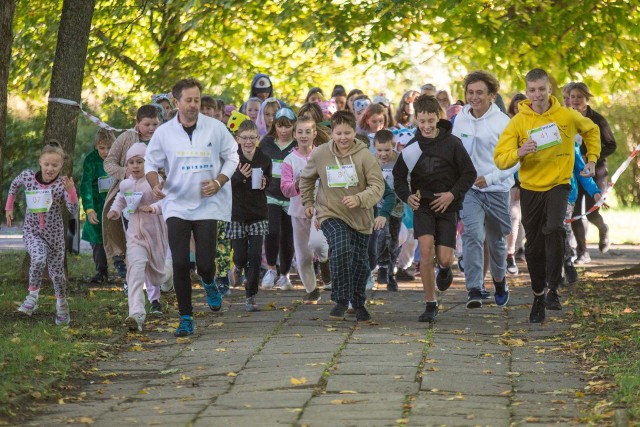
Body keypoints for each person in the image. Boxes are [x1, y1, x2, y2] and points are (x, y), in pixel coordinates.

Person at [494, 68, 600, 323]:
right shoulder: (519, 121)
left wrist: (592, 159)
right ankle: (538, 295)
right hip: (530, 187)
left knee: (554, 229)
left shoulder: (567, 115)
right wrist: (520, 152)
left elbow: (592, 130)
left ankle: (554, 286)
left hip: (559, 184)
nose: (537, 95)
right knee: (534, 246)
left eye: (542, 89)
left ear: (549, 89)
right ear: (527, 92)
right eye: (532, 90)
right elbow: (500, 158)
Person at [145, 78, 240, 337]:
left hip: (207, 204)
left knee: (205, 264)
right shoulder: (164, 132)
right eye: (188, 100)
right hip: (176, 203)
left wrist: (219, 182)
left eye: (197, 100)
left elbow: (233, 155)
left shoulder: (215, 128)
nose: (193, 105)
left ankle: (209, 282)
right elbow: (150, 164)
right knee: (179, 262)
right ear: (176, 103)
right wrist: (155, 185)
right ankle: (185, 317)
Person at [393, 95, 476, 323]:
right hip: (424, 206)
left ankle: (446, 268)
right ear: (416, 120)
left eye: (431, 121)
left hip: (447, 206)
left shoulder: (452, 144)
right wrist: (407, 196)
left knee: (444, 258)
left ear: (437, 119)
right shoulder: (412, 147)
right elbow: (398, 177)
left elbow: (469, 174)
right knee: (426, 251)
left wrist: (452, 194)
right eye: (422, 122)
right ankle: (431, 303)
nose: (427, 126)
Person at [300, 111, 385, 322]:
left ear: (354, 132)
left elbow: (378, 185)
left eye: (347, 133)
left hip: (360, 218)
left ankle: (358, 303)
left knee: (360, 262)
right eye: (339, 133)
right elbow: (306, 178)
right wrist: (309, 203)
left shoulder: (365, 155)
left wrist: (360, 198)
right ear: (332, 133)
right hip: (330, 212)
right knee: (340, 245)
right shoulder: (320, 154)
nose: (343, 138)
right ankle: (339, 300)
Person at [452, 71, 517, 309]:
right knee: (472, 236)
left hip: (497, 189)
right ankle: (475, 287)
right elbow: (456, 152)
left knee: (496, 241)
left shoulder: (503, 123)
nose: (474, 97)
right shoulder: (461, 120)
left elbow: (514, 160)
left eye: (480, 92)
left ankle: (499, 281)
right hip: (470, 189)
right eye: (470, 92)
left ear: (492, 95)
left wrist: (490, 179)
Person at [6, 141, 79, 325]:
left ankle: (62, 306)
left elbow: (73, 209)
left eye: (55, 165)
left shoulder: (63, 184)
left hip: (54, 236)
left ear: (61, 165)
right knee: (38, 258)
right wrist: (9, 207)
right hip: (33, 232)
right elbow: (14, 185)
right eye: (47, 164)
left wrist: (71, 192)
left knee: (57, 275)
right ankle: (32, 298)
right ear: (40, 162)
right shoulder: (28, 177)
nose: (50, 168)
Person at [107, 143, 169, 331]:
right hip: (134, 236)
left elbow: (166, 201)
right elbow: (121, 198)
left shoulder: (155, 180)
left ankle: (169, 274)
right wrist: (115, 211)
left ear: (148, 163)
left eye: (139, 162)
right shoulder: (125, 183)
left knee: (158, 277)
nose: (135, 166)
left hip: (156, 234)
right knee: (135, 272)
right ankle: (136, 314)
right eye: (131, 162)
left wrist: (153, 208)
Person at [103, 105, 160, 279]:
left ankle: (157, 277)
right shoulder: (126, 138)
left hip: (157, 197)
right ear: (137, 123)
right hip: (132, 198)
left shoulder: (163, 138)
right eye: (147, 124)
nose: (151, 128)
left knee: (157, 240)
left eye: (155, 124)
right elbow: (109, 162)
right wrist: (125, 173)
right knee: (133, 240)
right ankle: (132, 277)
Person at [281, 117, 330, 303]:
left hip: (320, 209)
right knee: (303, 256)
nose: (303, 136)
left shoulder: (322, 155)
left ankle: (325, 261)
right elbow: (285, 189)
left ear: (314, 134)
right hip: (297, 211)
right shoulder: (289, 160)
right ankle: (312, 290)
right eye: (300, 132)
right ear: (294, 134)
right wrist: (297, 183)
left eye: (307, 132)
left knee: (318, 243)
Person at [226, 120, 272, 312]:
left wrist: (264, 182)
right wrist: (240, 176)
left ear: (258, 139)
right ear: (238, 139)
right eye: (244, 138)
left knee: (254, 256)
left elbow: (268, 182)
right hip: (236, 213)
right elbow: (225, 184)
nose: (248, 142)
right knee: (240, 255)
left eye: (252, 138)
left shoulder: (264, 159)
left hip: (257, 213)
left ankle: (250, 295)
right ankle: (237, 267)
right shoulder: (232, 159)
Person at [569, 82, 617, 261]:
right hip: (574, 172)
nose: (575, 100)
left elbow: (611, 145)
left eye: (579, 97)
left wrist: (589, 157)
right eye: (572, 96)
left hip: (595, 172)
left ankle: (603, 228)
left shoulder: (597, 119)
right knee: (574, 213)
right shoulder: (566, 118)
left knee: (592, 212)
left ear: (586, 99)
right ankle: (582, 252)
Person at [259, 107, 297, 290]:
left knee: (288, 237)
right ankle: (271, 269)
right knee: (272, 231)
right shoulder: (266, 143)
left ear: (293, 126)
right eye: (280, 126)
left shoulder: (297, 145)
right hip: (270, 195)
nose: (283, 130)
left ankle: (285, 275)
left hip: (291, 197)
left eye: (287, 126)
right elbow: (258, 165)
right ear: (274, 125)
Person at [80, 129, 116, 284]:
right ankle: (101, 271)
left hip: (116, 205)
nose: (106, 152)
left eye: (109, 147)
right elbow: (85, 185)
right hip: (96, 205)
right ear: (96, 146)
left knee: (118, 236)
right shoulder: (91, 160)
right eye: (102, 148)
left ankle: (124, 268)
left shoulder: (119, 159)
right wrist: (89, 209)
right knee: (97, 238)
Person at [372, 129, 403, 291]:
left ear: (393, 147)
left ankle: (391, 274)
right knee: (382, 235)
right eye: (379, 150)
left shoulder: (399, 161)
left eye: (387, 150)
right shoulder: (371, 162)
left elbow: (405, 181)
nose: (383, 154)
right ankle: (382, 265)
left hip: (396, 206)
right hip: (377, 206)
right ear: (374, 147)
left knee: (393, 240)